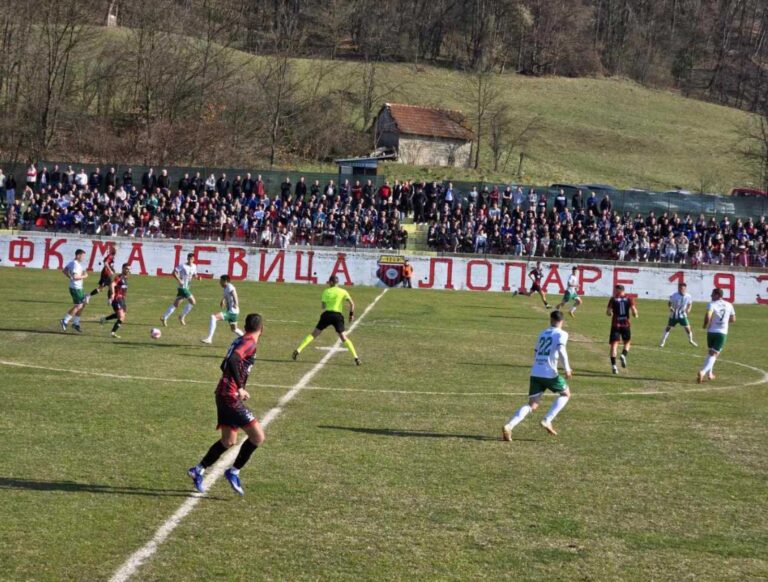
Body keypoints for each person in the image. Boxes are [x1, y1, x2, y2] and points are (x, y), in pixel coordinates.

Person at [187, 313, 266, 496]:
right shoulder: (249, 343)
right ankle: (234, 471)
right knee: (258, 437)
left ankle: (198, 470)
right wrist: (239, 387)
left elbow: (224, 365)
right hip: (229, 396)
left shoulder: (239, 339)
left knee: (228, 441)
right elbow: (231, 361)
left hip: (223, 393)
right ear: (261, 329)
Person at [502, 310, 573, 439]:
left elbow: (536, 352)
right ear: (562, 321)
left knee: (532, 405)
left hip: (536, 371)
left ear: (550, 320)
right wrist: (567, 368)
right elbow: (561, 349)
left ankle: (510, 425)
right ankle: (547, 419)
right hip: (550, 372)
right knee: (566, 394)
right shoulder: (562, 334)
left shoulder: (542, 334)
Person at [292, 275, 360, 365]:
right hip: (337, 316)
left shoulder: (326, 291)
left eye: (329, 282)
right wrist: (351, 315)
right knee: (343, 337)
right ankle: (356, 358)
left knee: (314, 334)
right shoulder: (343, 291)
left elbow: (323, 307)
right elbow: (352, 304)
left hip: (327, 315)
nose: (328, 283)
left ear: (331, 282)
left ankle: (298, 350)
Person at [697, 288, 736, 383]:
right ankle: (703, 372)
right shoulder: (729, 305)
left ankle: (710, 374)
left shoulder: (712, 304)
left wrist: (705, 325)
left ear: (718, 295)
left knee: (711, 353)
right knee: (714, 354)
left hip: (711, 332)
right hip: (722, 333)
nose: (711, 296)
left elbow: (708, 315)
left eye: (712, 294)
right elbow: (733, 319)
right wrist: (724, 322)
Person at [201, 275, 244, 344]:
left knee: (214, 317)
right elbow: (227, 294)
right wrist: (223, 300)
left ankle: (209, 338)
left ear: (225, 281)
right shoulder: (225, 288)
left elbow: (234, 294)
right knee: (234, 329)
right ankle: (246, 339)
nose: (219, 282)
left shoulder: (230, 286)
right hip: (233, 312)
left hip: (232, 311)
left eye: (221, 281)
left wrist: (236, 303)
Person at [606, 284, 638, 374]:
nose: (614, 292)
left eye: (615, 290)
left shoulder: (613, 299)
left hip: (615, 325)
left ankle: (614, 366)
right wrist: (635, 315)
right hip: (625, 325)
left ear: (620, 290)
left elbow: (608, 312)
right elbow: (634, 311)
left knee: (614, 345)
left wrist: (610, 313)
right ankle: (624, 355)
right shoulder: (629, 298)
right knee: (627, 342)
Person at [161, 252, 199, 326]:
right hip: (182, 288)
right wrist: (179, 280)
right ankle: (181, 316)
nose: (190, 260)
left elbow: (195, 274)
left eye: (191, 259)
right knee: (193, 302)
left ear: (194, 259)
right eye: (189, 258)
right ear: (187, 258)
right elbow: (173, 272)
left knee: (176, 304)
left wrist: (198, 277)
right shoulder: (183, 265)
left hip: (187, 287)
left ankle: (164, 317)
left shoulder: (194, 266)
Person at [659, 281, 697, 347]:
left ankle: (691, 340)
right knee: (668, 328)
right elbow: (669, 303)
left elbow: (690, 303)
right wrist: (670, 307)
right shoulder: (674, 295)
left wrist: (689, 309)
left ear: (685, 289)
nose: (680, 290)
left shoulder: (688, 296)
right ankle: (662, 341)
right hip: (674, 315)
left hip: (682, 315)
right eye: (679, 288)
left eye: (682, 289)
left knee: (688, 328)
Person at [60, 249, 89, 333]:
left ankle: (76, 323)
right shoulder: (76, 265)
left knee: (82, 305)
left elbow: (64, 270)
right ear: (78, 255)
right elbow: (76, 277)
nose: (84, 258)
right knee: (78, 306)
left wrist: (70, 277)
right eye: (83, 256)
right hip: (76, 288)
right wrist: (85, 276)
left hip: (77, 287)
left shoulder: (73, 263)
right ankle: (65, 321)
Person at [100, 263, 131, 338]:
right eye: (126, 268)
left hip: (122, 299)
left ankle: (104, 319)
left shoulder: (126, 277)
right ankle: (112, 333)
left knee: (122, 317)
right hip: (116, 298)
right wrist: (113, 294)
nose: (128, 270)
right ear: (123, 268)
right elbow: (112, 284)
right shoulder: (119, 277)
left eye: (129, 269)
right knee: (120, 316)